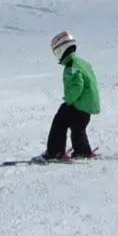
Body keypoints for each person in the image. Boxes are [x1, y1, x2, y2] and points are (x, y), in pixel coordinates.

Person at [37, 30, 100, 162]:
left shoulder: (72, 65)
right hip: (87, 105)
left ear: (60, 49)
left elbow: (78, 84)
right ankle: (82, 151)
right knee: (78, 127)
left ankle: (54, 152)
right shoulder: (81, 62)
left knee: (60, 120)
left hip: (80, 103)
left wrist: (69, 100)